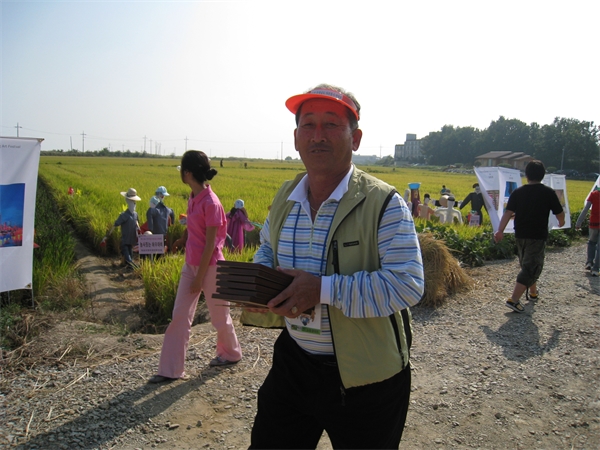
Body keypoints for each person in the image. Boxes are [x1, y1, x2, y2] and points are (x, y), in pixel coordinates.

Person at [244, 84, 425, 449]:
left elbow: (407, 284)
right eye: (308, 125)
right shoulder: (286, 195)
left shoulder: (384, 203)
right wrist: (260, 284)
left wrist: (322, 290)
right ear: (296, 138)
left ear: (355, 138)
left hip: (367, 376)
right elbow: (268, 248)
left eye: (331, 124)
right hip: (295, 361)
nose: (318, 135)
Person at [149, 151, 242, 383]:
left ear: (188, 173)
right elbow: (193, 228)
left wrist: (199, 278)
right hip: (191, 265)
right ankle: (170, 370)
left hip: (211, 268)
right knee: (179, 316)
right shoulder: (193, 197)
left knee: (220, 317)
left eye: (181, 170)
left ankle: (231, 353)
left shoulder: (211, 203)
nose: (180, 173)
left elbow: (211, 244)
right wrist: (182, 240)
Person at [494, 160, 565, 313]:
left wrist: (500, 230)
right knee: (532, 267)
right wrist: (562, 221)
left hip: (520, 235)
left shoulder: (518, 192)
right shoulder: (548, 192)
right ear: (542, 175)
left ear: (526, 175)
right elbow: (559, 212)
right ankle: (513, 300)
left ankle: (533, 292)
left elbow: (507, 213)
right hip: (537, 235)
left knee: (527, 264)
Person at [101, 188, 141, 269]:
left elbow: (137, 225)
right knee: (127, 255)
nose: (134, 204)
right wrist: (106, 237)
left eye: (134, 202)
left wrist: (140, 233)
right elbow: (115, 225)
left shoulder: (135, 214)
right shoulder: (124, 215)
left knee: (130, 254)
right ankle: (131, 265)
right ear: (127, 201)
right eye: (132, 202)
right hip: (125, 240)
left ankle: (129, 265)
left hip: (132, 240)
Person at [575, 186, 600, 276]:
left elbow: (586, 209)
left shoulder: (594, 194)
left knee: (591, 242)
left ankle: (589, 262)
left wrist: (579, 222)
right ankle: (596, 269)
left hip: (593, 224)